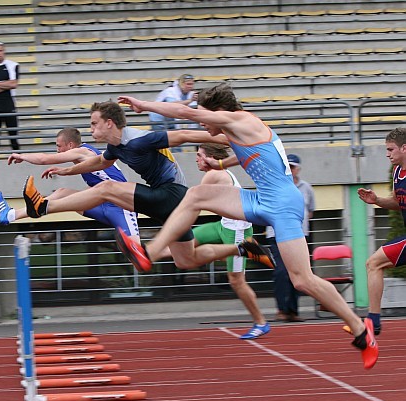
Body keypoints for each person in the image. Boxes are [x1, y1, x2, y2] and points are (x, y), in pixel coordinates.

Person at [116, 83, 378, 369]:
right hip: (261, 198)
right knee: (196, 195)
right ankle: (149, 252)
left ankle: (360, 329)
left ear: (220, 111)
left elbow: (182, 112)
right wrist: (221, 164)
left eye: (205, 115)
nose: (203, 122)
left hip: (282, 204)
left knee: (302, 280)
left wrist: (145, 105)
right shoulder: (237, 128)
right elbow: (248, 151)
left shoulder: (239, 119)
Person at [21, 100, 275, 273]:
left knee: (106, 190)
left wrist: (233, 138)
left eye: (94, 123)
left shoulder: (139, 139)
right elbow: (98, 163)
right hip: (173, 204)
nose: (91, 128)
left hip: (172, 193)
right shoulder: (114, 147)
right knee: (185, 260)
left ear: (110, 123)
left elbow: (185, 135)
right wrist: (66, 170)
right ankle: (244, 248)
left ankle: (43, 207)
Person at [0, 127, 140, 240]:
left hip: (122, 207)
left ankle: (37, 208)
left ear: (70, 145)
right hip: (104, 204)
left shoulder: (82, 152)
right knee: (62, 193)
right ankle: (11, 215)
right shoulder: (86, 157)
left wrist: (22, 156)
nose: (57, 150)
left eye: (59, 146)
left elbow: (45, 159)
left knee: (137, 254)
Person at [193, 143, 270, 339]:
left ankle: (261, 323)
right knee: (188, 240)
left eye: (199, 155)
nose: (196, 159)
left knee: (236, 281)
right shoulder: (223, 173)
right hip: (224, 225)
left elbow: (193, 203)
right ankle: (147, 253)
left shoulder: (213, 174)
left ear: (210, 157)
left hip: (237, 229)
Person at [356, 127, 406, 337]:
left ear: (404, 148)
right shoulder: (397, 172)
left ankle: (373, 321)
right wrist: (376, 201)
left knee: (373, 263)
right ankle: (373, 321)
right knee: (374, 264)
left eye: (390, 149)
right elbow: (397, 202)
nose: (387, 154)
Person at [266, 153, 315, 322]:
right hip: (277, 236)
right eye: (287, 166)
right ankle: (281, 309)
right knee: (281, 272)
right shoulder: (273, 186)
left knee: (299, 274)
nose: (290, 170)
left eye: (292, 167)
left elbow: (310, 211)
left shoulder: (306, 187)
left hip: (299, 236)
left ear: (298, 169)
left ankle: (293, 311)